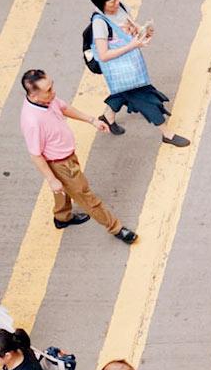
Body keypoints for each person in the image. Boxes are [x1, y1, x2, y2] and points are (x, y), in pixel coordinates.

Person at [18, 69, 136, 243]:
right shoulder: (33, 121)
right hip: (61, 164)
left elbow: (64, 107)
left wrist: (92, 120)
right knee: (86, 196)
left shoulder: (47, 100)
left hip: (66, 156)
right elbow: (36, 155)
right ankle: (116, 228)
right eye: (48, 90)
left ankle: (62, 217)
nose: (54, 92)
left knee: (62, 189)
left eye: (52, 86)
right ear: (34, 96)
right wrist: (52, 179)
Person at [86, 0, 189, 146]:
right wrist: (133, 45)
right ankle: (167, 134)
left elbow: (128, 29)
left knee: (122, 92)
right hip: (121, 68)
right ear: (100, 3)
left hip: (130, 66)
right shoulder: (99, 23)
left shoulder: (121, 7)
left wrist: (141, 32)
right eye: (112, 2)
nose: (117, 3)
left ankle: (108, 116)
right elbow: (103, 55)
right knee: (145, 98)